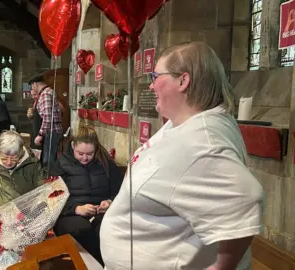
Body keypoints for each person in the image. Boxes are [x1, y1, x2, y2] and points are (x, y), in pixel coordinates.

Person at [99, 41, 264, 270]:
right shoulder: (184, 125)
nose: (151, 86)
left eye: (155, 76)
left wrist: (222, 267)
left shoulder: (202, 141)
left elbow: (246, 199)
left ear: (183, 80)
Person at [50, 126, 123, 265]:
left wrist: (109, 202)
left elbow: (119, 191)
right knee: (81, 229)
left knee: (107, 227)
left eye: (90, 153)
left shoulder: (105, 163)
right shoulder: (61, 164)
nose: (85, 158)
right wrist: (77, 209)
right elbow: (53, 198)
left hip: (100, 212)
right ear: (72, 146)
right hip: (69, 213)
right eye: (80, 153)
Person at [28, 74, 63, 169]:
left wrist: (40, 134)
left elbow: (47, 116)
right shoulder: (48, 92)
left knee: (48, 161)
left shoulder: (46, 94)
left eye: (31, 86)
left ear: (34, 84)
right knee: (48, 159)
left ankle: (50, 181)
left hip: (52, 132)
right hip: (52, 131)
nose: (32, 89)